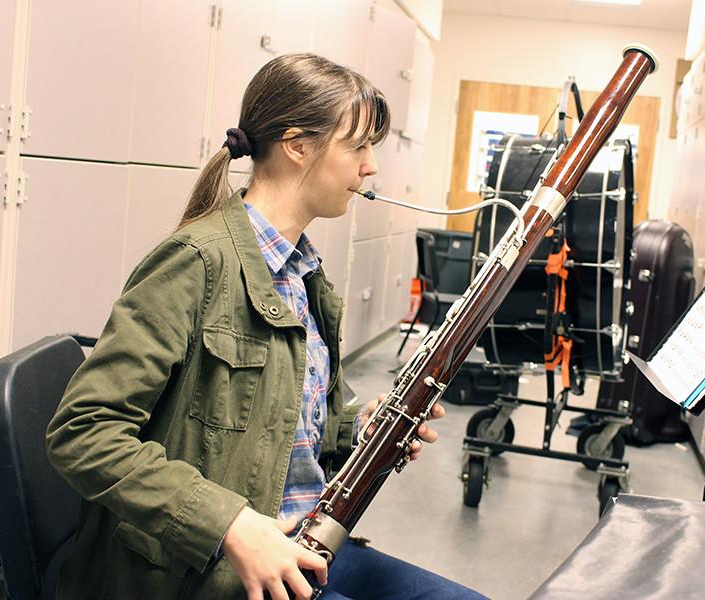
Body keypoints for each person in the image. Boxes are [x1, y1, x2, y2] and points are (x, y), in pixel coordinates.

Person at [46, 53, 486, 600]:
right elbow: (82, 431)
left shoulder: (303, 271)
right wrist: (229, 523)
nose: (370, 166)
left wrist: (356, 429)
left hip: (305, 542)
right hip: (207, 569)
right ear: (298, 145)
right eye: (359, 146)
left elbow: (278, 432)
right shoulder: (196, 262)